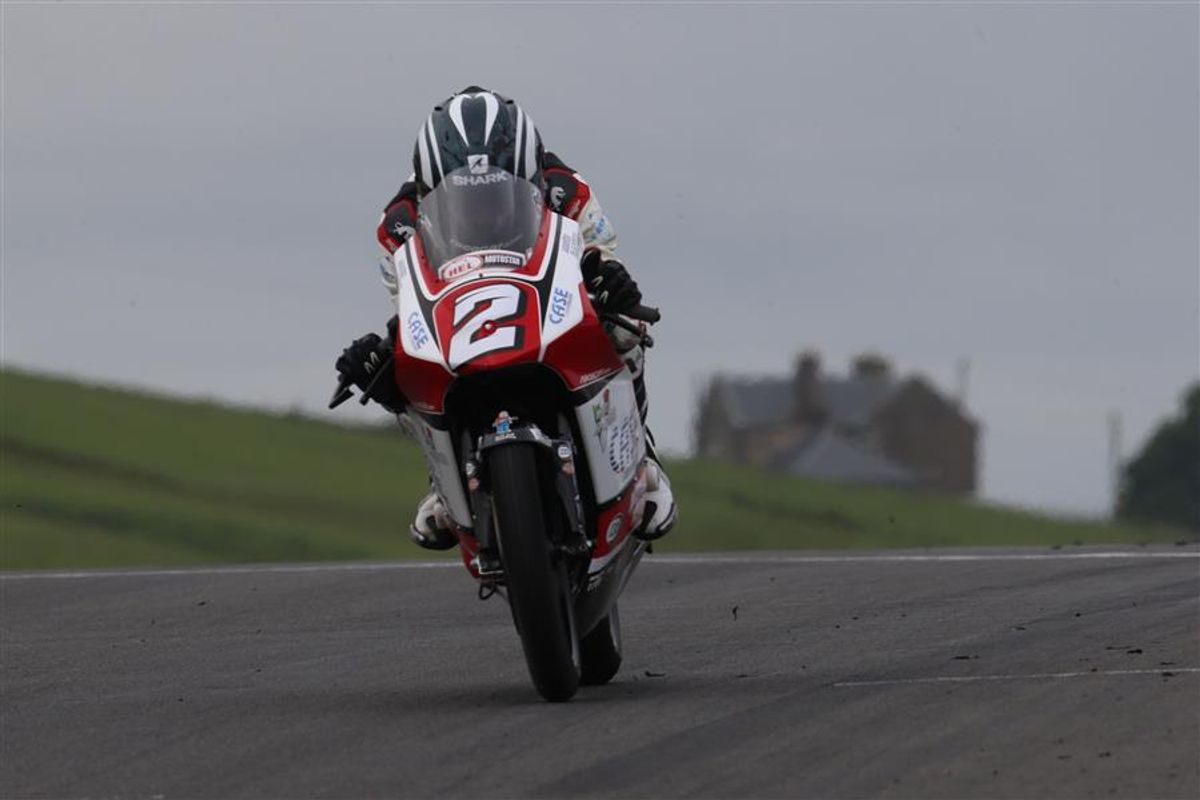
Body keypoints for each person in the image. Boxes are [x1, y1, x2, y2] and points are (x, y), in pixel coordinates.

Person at [335, 86, 676, 550]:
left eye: (500, 190)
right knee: (398, 368)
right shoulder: (398, 223)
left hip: (544, 296)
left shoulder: (568, 189)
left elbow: (601, 252)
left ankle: (644, 460)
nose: (485, 208)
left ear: (529, 173)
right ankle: (443, 481)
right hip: (460, 312)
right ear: (430, 187)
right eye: (465, 197)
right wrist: (383, 355)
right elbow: (409, 301)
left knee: (624, 325)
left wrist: (609, 277)